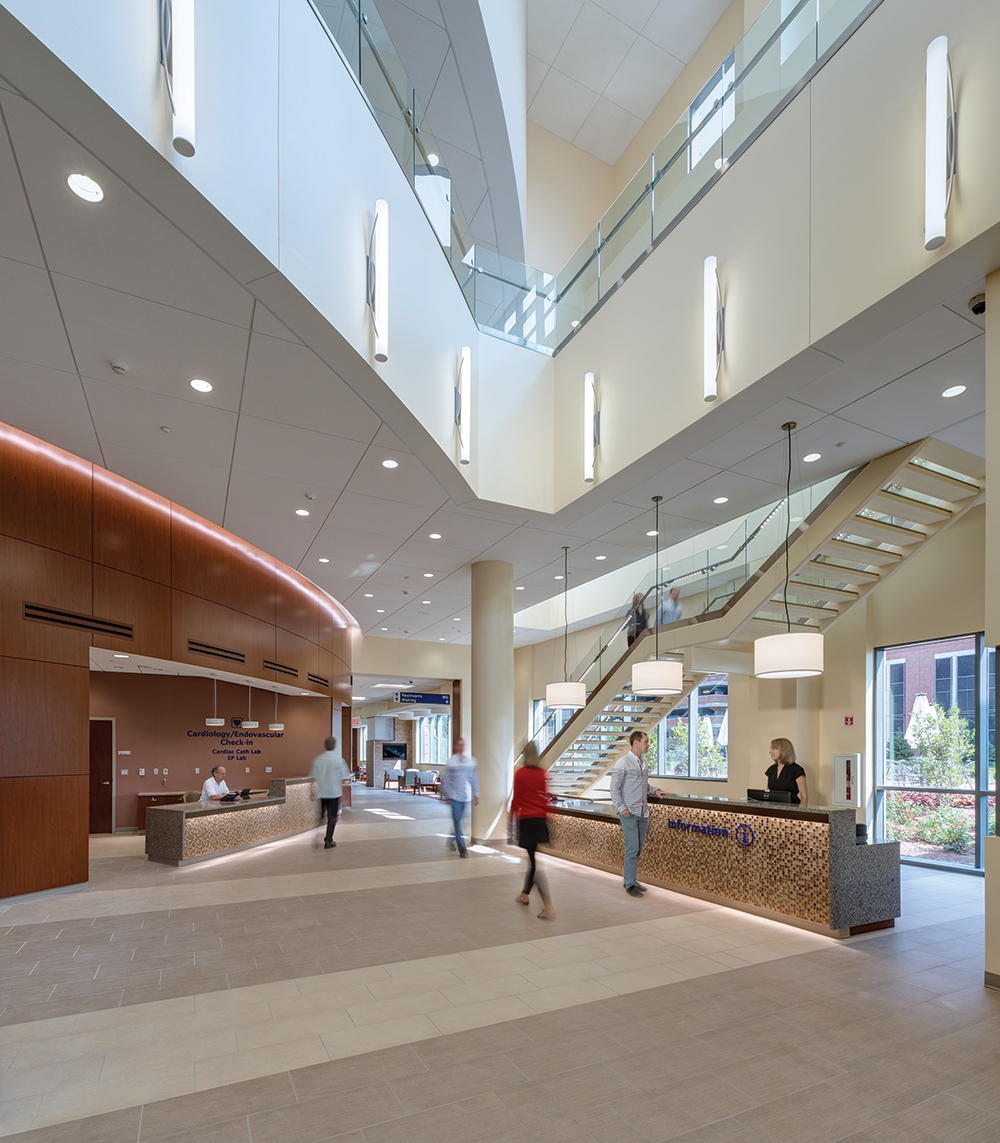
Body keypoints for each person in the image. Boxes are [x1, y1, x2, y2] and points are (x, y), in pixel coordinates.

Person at [609, 730, 666, 897]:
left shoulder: (643, 763)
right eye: (646, 742)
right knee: (632, 848)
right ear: (636, 743)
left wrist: (655, 790)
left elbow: (643, 785)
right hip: (629, 813)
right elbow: (614, 789)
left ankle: (632, 879)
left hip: (643, 813)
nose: (648, 745)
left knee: (638, 849)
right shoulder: (623, 763)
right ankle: (629, 884)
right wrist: (621, 808)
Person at [511, 742, 555, 920]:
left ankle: (548, 906)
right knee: (532, 859)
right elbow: (544, 798)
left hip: (527, 821)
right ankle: (524, 893)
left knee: (533, 864)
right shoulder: (542, 773)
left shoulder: (521, 773)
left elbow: (517, 799)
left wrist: (510, 818)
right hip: (540, 820)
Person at [310, 736, 351, 848]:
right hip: (334, 792)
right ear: (335, 746)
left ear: (325, 746)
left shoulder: (318, 759)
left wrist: (311, 792)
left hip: (322, 792)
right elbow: (345, 776)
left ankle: (318, 831)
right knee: (332, 817)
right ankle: (328, 840)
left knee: (322, 815)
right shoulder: (339, 760)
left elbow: (313, 777)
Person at [440, 737, 479, 857]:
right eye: (458, 745)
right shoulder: (451, 761)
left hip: (465, 796)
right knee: (457, 822)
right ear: (455, 747)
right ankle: (462, 849)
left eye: (462, 745)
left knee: (461, 822)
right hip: (453, 796)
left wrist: (476, 794)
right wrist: (445, 794)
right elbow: (445, 779)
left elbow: (474, 778)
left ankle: (450, 840)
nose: (461, 747)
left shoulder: (470, 761)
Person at [765, 738, 808, 806]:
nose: (770, 752)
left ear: (782, 750)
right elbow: (767, 793)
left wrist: (801, 813)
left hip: (791, 810)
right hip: (773, 810)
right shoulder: (771, 769)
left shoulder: (796, 770)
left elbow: (804, 796)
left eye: (773, 749)